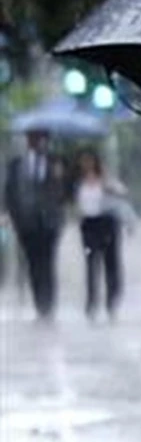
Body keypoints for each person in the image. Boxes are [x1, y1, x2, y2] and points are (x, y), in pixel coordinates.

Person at [4, 127, 70, 320]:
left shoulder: (56, 161)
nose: (36, 141)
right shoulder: (16, 164)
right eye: (32, 138)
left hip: (50, 222)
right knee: (33, 263)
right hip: (26, 223)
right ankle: (39, 304)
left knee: (48, 262)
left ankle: (48, 304)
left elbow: (66, 191)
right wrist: (13, 216)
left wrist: (60, 178)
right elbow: (9, 193)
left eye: (40, 138)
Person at [74, 149, 129, 322]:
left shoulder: (106, 179)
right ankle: (91, 303)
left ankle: (112, 301)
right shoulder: (78, 182)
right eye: (84, 161)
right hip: (88, 226)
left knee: (111, 264)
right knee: (91, 265)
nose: (87, 165)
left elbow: (122, 192)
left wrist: (107, 184)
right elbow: (75, 203)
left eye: (90, 161)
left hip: (107, 223)